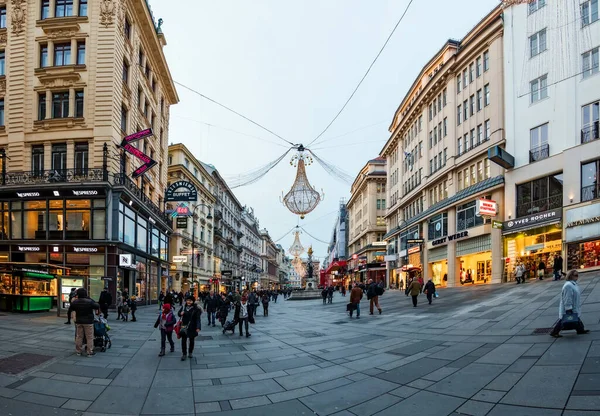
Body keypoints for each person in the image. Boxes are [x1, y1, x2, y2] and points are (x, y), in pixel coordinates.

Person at [550, 269, 590, 338]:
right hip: (570, 306)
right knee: (564, 319)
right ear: (571, 276)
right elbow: (568, 298)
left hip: (574, 305)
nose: (577, 277)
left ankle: (580, 329)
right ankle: (554, 332)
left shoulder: (573, 284)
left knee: (576, 317)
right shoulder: (568, 286)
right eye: (575, 275)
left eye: (577, 275)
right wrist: (568, 308)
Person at [70, 288, 100, 357]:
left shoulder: (75, 302)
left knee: (79, 336)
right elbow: (97, 306)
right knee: (89, 337)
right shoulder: (89, 301)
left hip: (79, 321)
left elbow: (71, 308)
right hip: (88, 321)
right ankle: (89, 352)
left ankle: (78, 351)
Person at [178, 296, 202, 361]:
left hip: (192, 327)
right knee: (183, 341)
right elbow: (179, 314)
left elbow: (198, 319)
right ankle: (184, 354)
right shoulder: (183, 307)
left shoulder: (195, 309)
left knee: (191, 340)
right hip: (184, 326)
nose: (189, 302)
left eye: (190, 301)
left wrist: (198, 327)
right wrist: (180, 313)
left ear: (193, 301)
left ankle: (190, 352)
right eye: (187, 300)